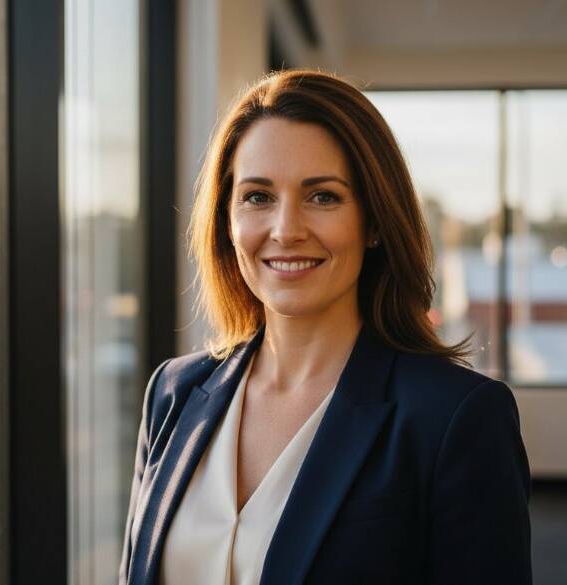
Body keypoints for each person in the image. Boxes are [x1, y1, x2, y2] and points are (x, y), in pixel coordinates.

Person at [119, 69, 532, 585]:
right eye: (257, 196)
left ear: (375, 221)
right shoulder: (173, 394)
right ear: (227, 219)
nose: (286, 230)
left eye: (323, 197)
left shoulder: (454, 418)